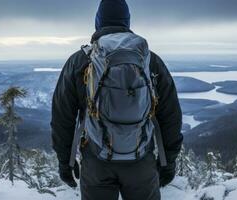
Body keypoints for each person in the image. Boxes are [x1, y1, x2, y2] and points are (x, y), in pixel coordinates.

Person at [51, 0, 183, 199]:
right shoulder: (150, 60)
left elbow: (62, 117)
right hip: (141, 160)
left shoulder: (80, 61)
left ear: (98, 22)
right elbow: (170, 114)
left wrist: (65, 162)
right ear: (127, 22)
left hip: (96, 160)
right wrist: (168, 161)